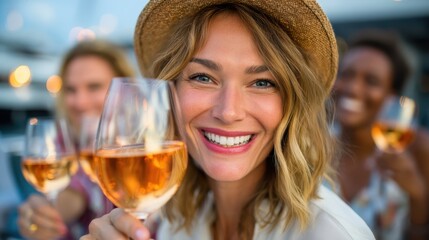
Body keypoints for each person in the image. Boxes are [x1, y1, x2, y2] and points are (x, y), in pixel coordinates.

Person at [82, 1, 375, 239]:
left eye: (262, 82)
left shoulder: (333, 233)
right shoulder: (179, 224)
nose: (229, 111)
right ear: (170, 93)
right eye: (203, 77)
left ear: (292, 103)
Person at [17, 40, 135, 239]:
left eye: (94, 87)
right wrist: (39, 217)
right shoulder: (61, 139)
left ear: (125, 89)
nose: (80, 102)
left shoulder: (147, 146)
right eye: (71, 90)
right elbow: (74, 192)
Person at [333, 30, 429, 240]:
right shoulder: (310, 146)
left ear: (391, 95)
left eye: (371, 81)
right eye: (346, 75)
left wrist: (418, 195)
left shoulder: (417, 148)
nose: (353, 88)